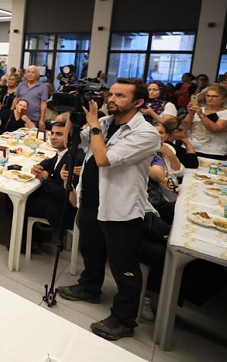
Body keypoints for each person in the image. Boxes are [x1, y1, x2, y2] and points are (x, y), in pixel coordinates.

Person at [58, 78, 160, 341]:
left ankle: (124, 320)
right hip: (92, 201)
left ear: (138, 102)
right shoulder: (104, 123)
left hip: (121, 208)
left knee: (123, 266)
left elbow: (103, 159)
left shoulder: (146, 134)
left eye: (121, 96)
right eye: (111, 94)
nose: (112, 99)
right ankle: (89, 288)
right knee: (91, 251)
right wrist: (74, 113)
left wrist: (93, 123)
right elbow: (70, 141)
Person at [26, 121, 84, 248]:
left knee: (21, 201)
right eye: (52, 133)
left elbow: (65, 194)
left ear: (70, 137)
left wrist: (45, 179)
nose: (53, 137)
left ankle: (26, 242)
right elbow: (53, 160)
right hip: (57, 201)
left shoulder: (74, 159)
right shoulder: (67, 152)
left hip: (62, 211)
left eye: (59, 134)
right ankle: (38, 234)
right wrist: (41, 166)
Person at [179, 84, 227, 160]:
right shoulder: (199, 109)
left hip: (213, 153)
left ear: (224, 99)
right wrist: (191, 114)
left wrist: (201, 114)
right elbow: (184, 128)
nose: (210, 98)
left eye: (215, 96)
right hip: (189, 149)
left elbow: (216, 129)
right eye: (208, 96)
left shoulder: (225, 112)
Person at [14, 65, 48, 132]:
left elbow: (43, 104)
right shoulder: (21, 85)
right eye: (28, 72)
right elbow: (16, 99)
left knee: (31, 136)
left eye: (33, 72)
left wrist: (42, 119)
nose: (30, 74)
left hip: (34, 118)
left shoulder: (43, 87)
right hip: (19, 118)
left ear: (37, 75)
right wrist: (12, 111)